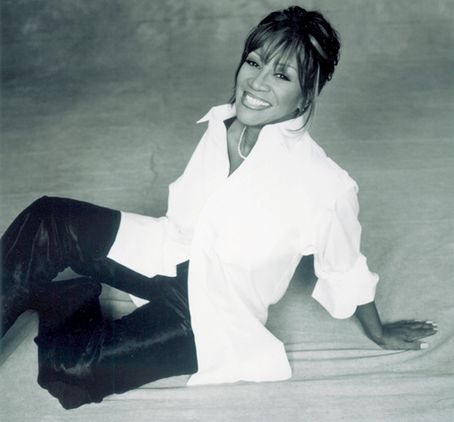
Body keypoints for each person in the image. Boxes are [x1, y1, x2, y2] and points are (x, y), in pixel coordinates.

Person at [0, 6, 437, 409]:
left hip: (210, 313)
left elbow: (345, 269)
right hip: (170, 253)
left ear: (307, 96)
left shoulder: (328, 186)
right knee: (48, 218)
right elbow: (189, 223)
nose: (257, 83)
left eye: (282, 75)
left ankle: (69, 298)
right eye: (254, 62)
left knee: (70, 375)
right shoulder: (221, 123)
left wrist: (378, 331)